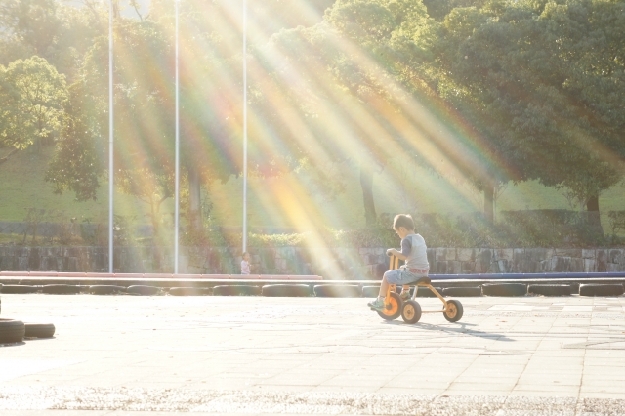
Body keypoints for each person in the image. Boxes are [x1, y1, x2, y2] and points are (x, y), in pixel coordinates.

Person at [368, 214, 430, 311]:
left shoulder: (406, 240)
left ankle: (380, 301)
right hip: (424, 273)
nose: (398, 235)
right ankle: (405, 293)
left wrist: (394, 251)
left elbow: (403, 256)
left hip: (413, 274)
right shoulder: (420, 238)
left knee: (386, 275)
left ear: (402, 229)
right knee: (403, 268)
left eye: (397, 232)